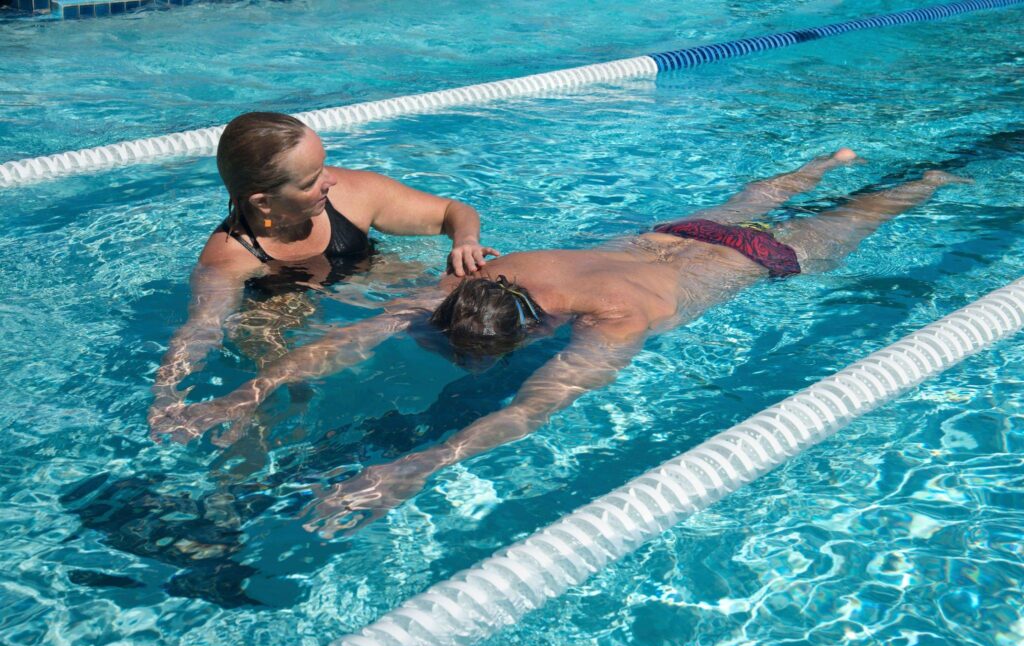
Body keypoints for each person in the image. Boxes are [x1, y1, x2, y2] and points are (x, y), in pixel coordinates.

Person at [152, 149, 968, 536]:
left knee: (865, 215)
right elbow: (368, 330)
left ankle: (926, 181)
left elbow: (535, 407)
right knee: (761, 194)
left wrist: (418, 463)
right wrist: (242, 392)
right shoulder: (498, 274)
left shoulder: (616, 320)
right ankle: (832, 161)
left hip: (757, 259)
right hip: (679, 234)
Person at [148, 111, 498, 442]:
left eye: (323, 165)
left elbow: (453, 211)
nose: (329, 179)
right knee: (273, 366)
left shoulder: (352, 194)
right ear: (263, 203)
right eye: (311, 180)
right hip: (284, 300)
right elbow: (201, 329)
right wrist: (166, 396)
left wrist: (465, 241)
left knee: (459, 296)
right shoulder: (229, 257)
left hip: (366, 275)